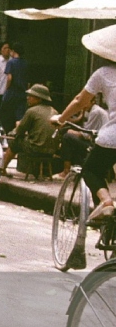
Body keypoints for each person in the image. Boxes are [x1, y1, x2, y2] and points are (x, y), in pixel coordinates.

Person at [53, 30, 116, 223]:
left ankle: (106, 202)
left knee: (91, 171)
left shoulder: (104, 73)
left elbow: (80, 100)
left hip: (112, 137)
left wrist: (61, 119)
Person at [1, 83, 57, 175]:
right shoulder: (54, 111)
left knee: (14, 143)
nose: (28, 98)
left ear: (39, 99)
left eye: (31, 96)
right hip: (51, 150)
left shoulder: (32, 111)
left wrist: (11, 134)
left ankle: (2, 168)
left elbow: (19, 131)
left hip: (36, 148)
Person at [56, 95, 106, 179]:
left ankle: (66, 171)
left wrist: (73, 132)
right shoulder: (89, 111)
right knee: (70, 136)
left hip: (96, 144)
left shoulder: (95, 111)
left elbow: (86, 135)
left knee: (67, 137)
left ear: (93, 101)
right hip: (95, 141)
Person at [0, 42, 28, 132]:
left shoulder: (11, 62)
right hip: (22, 92)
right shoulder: (25, 63)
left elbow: (9, 78)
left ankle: (5, 133)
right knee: (19, 116)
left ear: (13, 51)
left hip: (12, 92)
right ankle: (18, 133)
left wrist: (6, 88)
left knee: (5, 114)